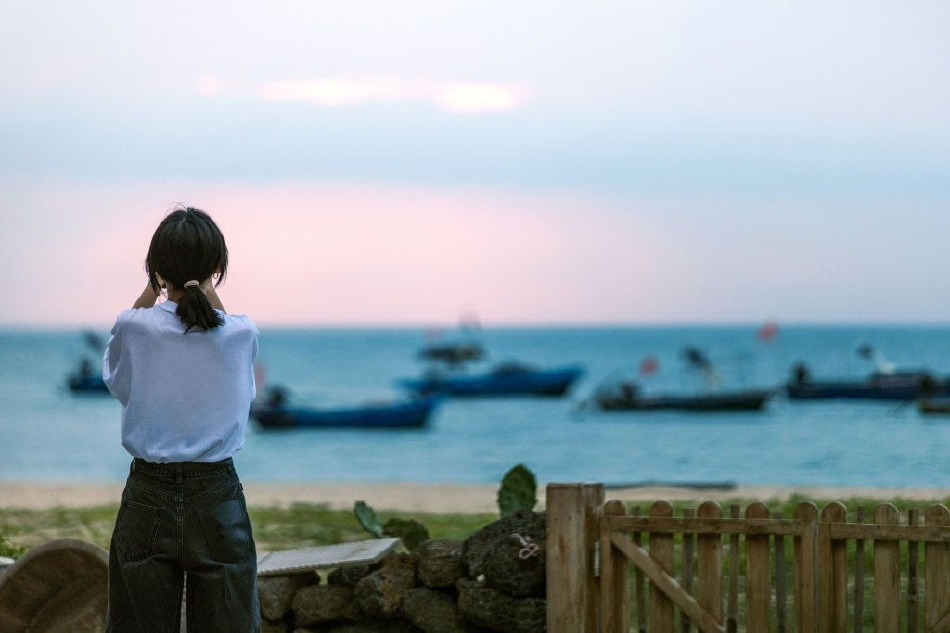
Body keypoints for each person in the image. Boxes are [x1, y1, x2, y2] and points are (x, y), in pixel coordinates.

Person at [102, 207, 261, 632]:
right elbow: (241, 393)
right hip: (217, 494)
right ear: (216, 268)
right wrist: (205, 288)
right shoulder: (242, 333)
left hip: (147, 493)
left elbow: (119, 384)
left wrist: (149, 291)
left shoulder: (132, 327)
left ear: (156, 269)